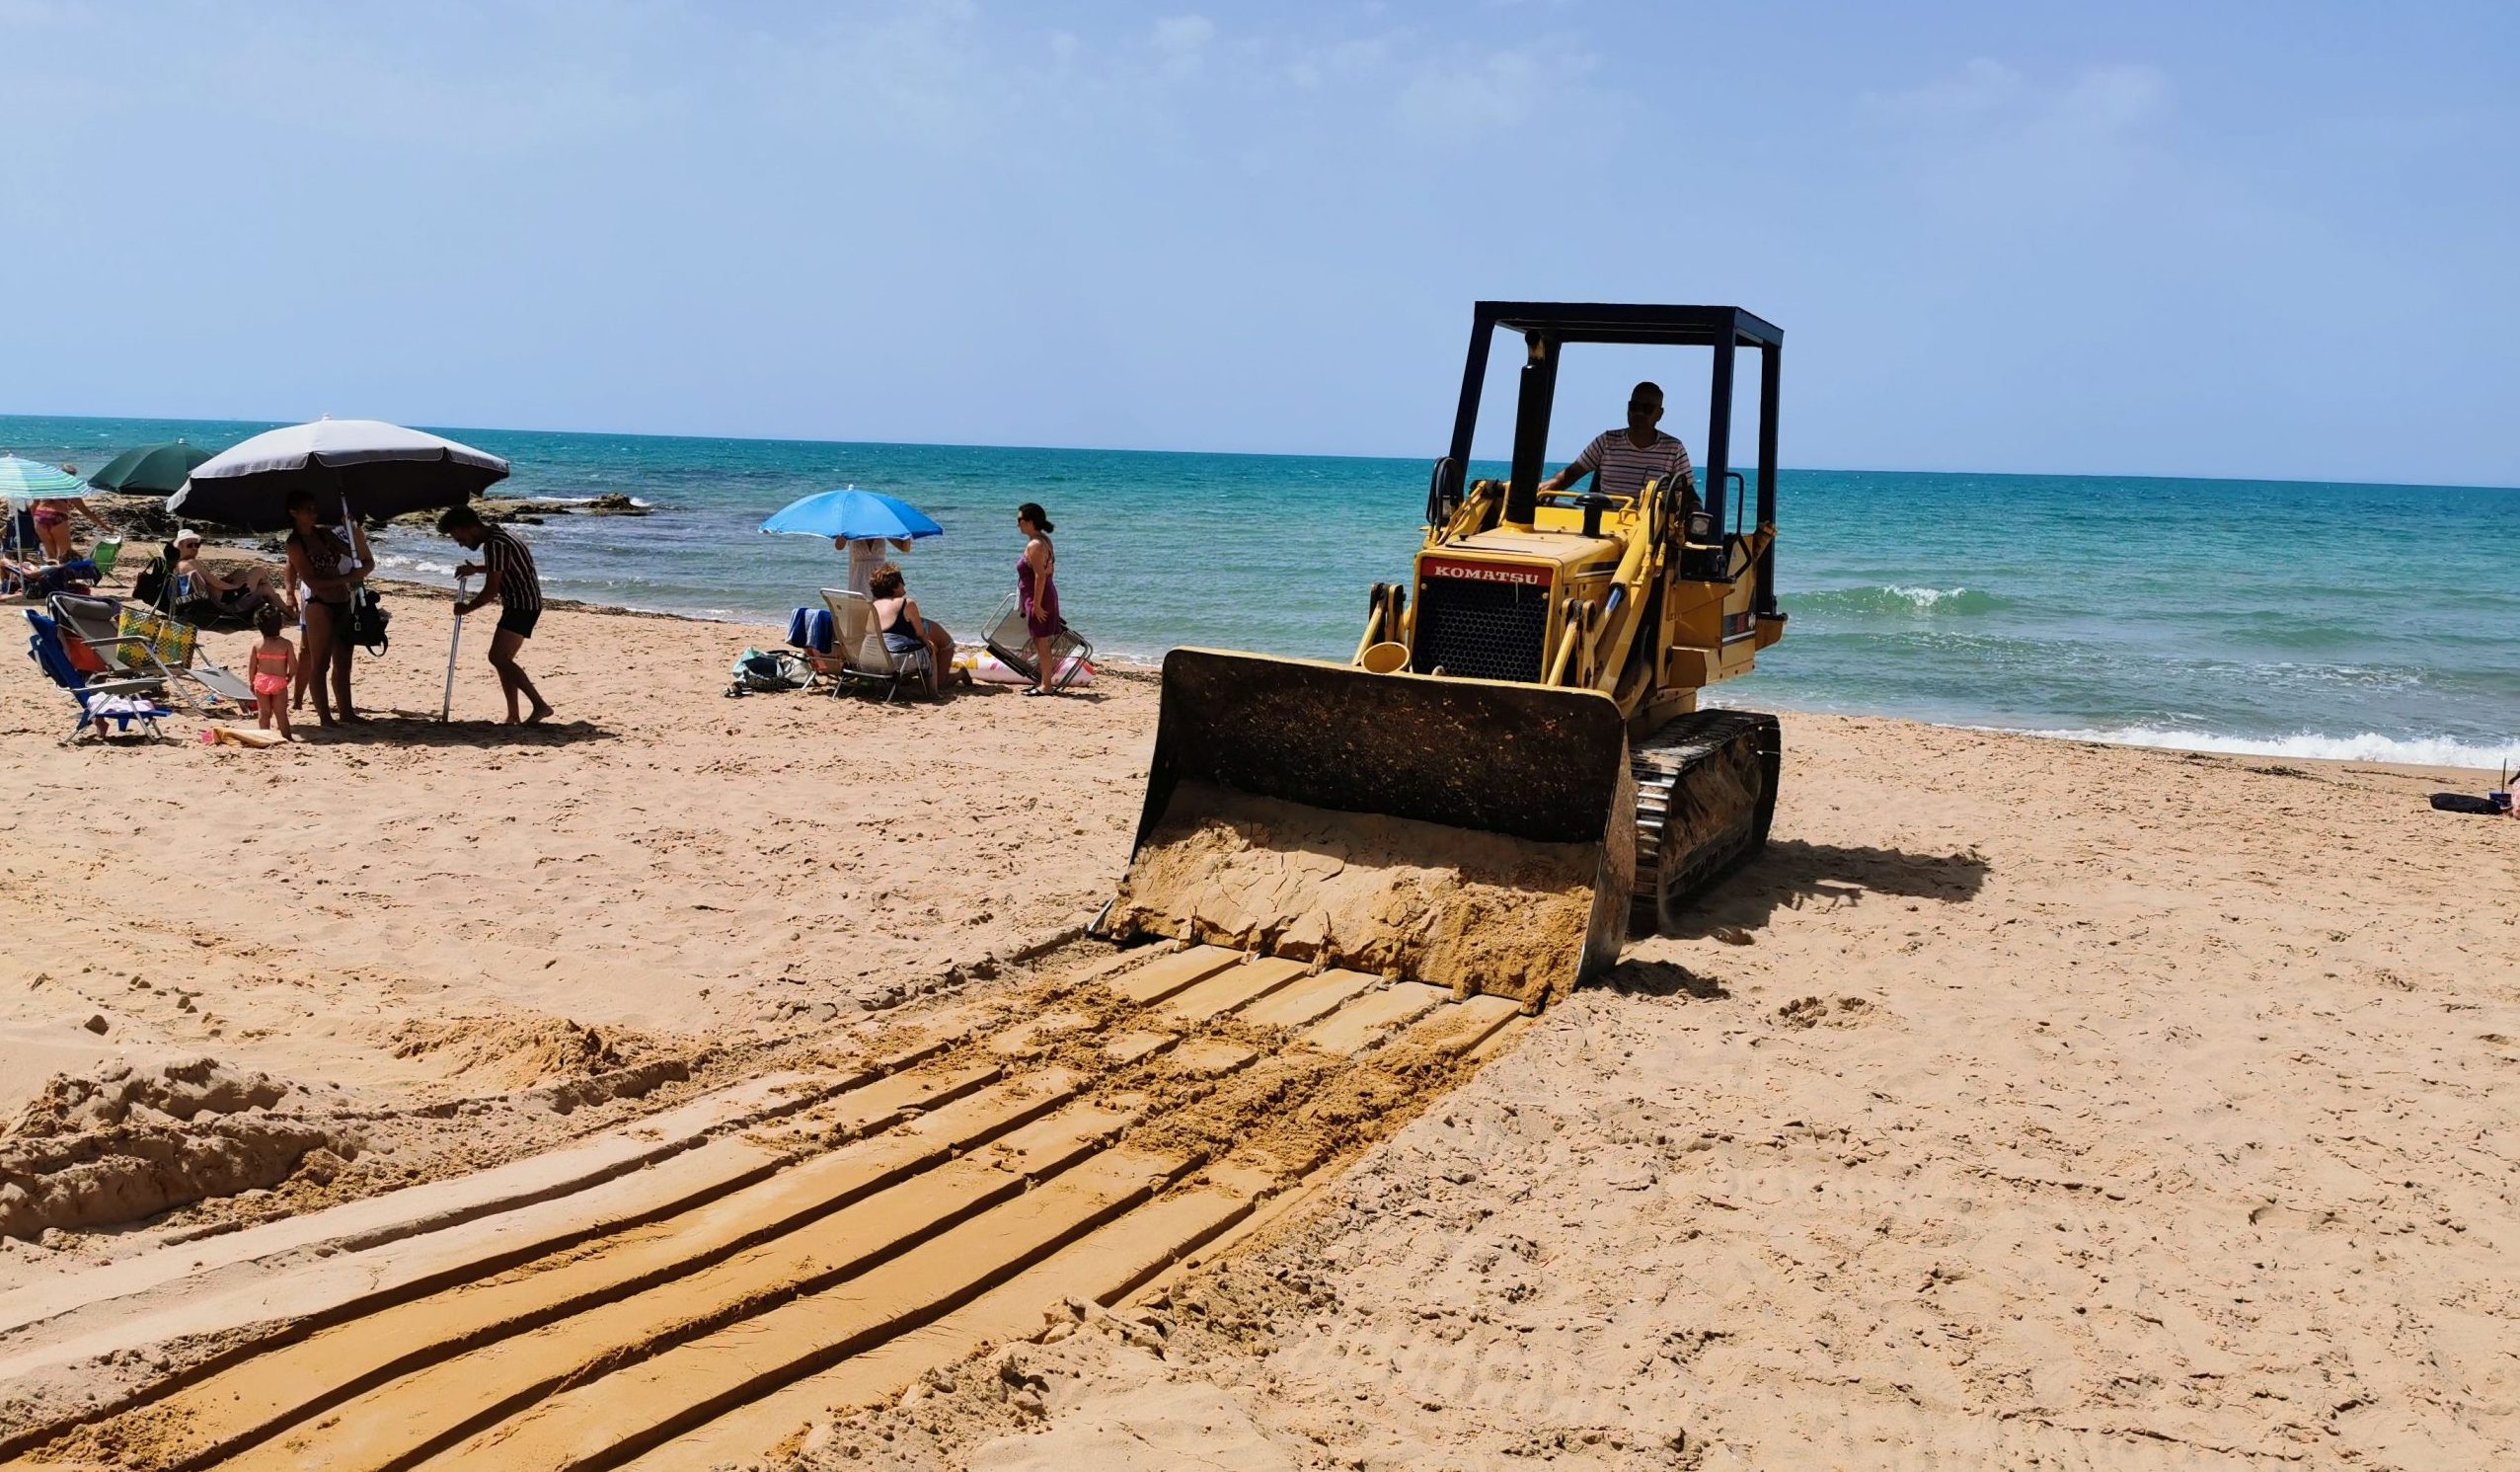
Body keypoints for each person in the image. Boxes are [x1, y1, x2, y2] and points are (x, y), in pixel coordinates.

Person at [439, 504, 553, 726]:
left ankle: (540, 705)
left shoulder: (494, 544)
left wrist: (466, 608)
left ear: (469, 528)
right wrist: (476, 570)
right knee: (503, 660)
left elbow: (491, 590)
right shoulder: (500, 535)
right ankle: (513, 715)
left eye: (458, 537)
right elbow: (502, 565)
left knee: (498, 657)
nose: (460, 543)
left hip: (522, 605)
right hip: (522, 603)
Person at [280, 489, 372, 727]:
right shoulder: (295, 543)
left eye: (315, 509)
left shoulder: (323, 535)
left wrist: (355, 530)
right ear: (294, 513)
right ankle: (324, 716)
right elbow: (312, 580)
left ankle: (347, 712)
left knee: (344, 661)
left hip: (342, 601)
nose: (314, 513)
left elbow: (358, 557)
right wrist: (347, 577)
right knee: (320, 662)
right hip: (319, 604)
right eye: (308, 510)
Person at [1536, 381, 1697, 504]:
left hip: (1650, 530)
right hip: (1606, 522)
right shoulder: (1607, 441)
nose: (1639, 413)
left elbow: (1687, 494)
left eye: (1647, 409)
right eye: (1634, 407)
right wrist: (1549, 486)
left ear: (1659, 414)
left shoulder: (1673, 449)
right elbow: (1572, 474)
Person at [867, 562, 961, 697]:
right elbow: (920, 633)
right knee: (930, 649)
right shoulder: (906, 603)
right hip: (894, 660)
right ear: (894, 586)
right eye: (901, 581)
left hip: (871, 659)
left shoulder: (873, 605)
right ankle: (933, 693)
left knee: (908, 646)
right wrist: (927, 643)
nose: (904, 585)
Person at [171, 529, 281, 619]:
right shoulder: (190, 563)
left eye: (197, 545)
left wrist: (229, 579)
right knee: (259, 571)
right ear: (179, 546)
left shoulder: (180, 564)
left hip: (217, 598)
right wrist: (235, 587)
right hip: (226, 600)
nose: (195, 548)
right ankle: (282, 611)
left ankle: (287, 612)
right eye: (190, 545)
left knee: (240, 573)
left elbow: (209, 583)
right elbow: (216, 583)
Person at [1015, 502, 1062, 697]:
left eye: (1020, 520)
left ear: (1030, 522)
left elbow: (1040, 576)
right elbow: (1050, 569)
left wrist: (1037, 604)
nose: (1017, 524)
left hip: (1040, 598)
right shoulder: (1044, 541)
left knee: (1041, 642)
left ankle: (1047, 686)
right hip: (1044, 594)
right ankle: (1044, 682)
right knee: (1040, 641)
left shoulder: (1035, 545)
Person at [248, 602, 297, 740]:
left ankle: (265, 737)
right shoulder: (286, 644)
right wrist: (289, 677)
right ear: (280, 625)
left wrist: (251, 682)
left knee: (264, 713)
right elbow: (293, 665)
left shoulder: (257, 644)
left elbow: (252, 666)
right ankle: (287, 737)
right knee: (281, 713)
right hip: (279, 681)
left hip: (261, 680)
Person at [29, 487, 107, 565]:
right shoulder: (70, 490)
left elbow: (33, 507)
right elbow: (86, 512)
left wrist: (34, 523)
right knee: (66, 554)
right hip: (58, 516)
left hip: (39, 517)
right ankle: (64, 575)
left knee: (51, 555)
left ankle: (51, 575)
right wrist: (105, 526)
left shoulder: (44, 488)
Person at [838, 535, 913, 595]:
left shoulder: (881, 527)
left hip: (880, 583)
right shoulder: (852, 527)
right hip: (858, 583)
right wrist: (844, 531)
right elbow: (839, 546)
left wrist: (907, 531)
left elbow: (905, 548)